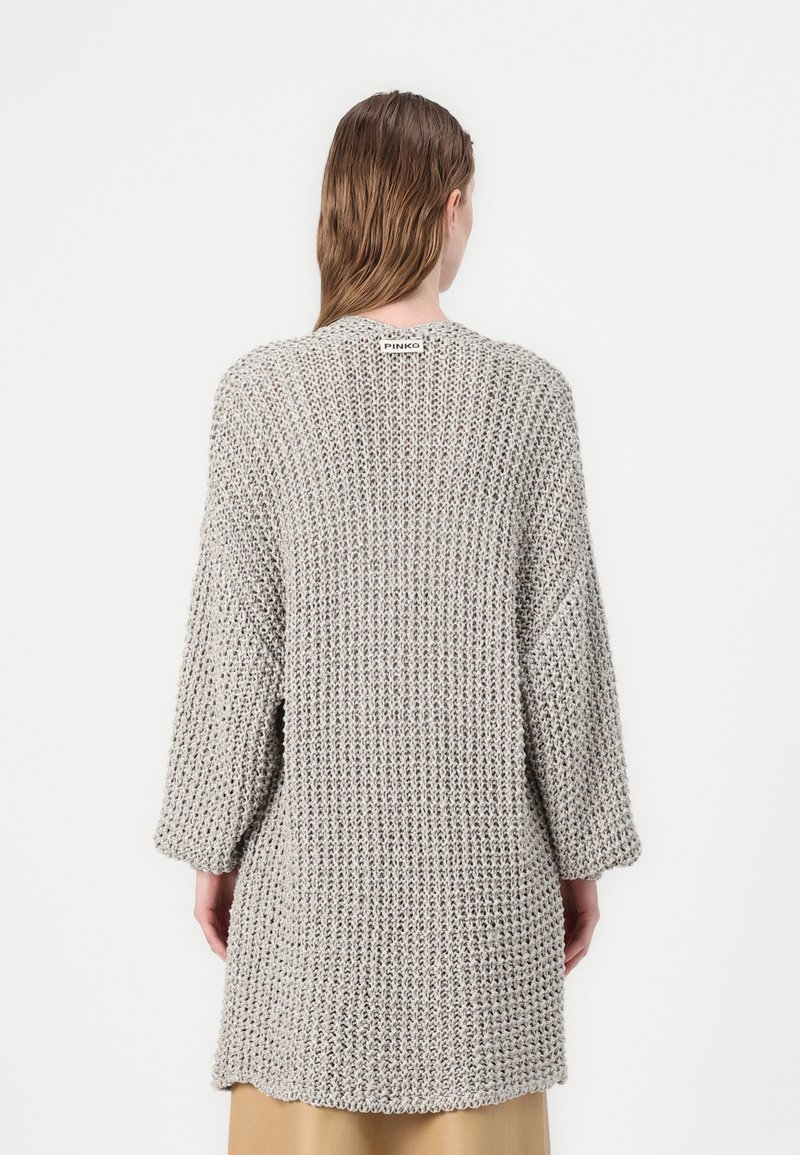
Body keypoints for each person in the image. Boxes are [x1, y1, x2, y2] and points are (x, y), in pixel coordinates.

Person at [153, 89, 643, 1155]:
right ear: (453, 207)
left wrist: (211, 845)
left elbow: (236, 648)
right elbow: (561, 651)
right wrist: (581, 857)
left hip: (310, 894)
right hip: (484, 890)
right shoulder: (529, 397)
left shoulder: (261, 394)